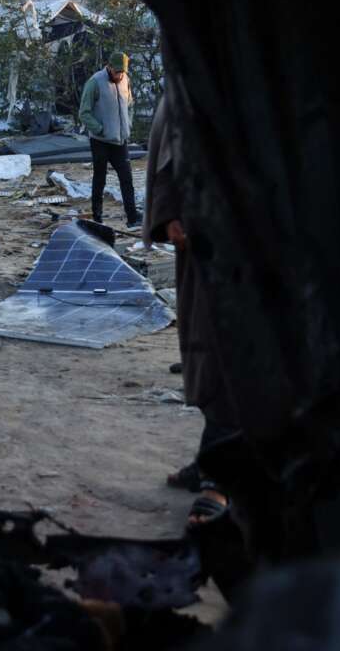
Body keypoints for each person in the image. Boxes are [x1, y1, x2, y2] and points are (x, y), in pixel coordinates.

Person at [144, 76, 238, 531]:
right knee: (204, 351)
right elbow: (168, 156)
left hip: (247, 243)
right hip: (206, 239)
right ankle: (210, 461)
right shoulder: (189, 79)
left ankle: (220, 478)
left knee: (230, 359)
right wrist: (170, 214)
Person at [79, 51, 141, 228]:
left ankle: (132, 218)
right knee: (100, 178)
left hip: (120, 140)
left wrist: (128, 124)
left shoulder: (125, 80)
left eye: (122, 72)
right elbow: (84, 112)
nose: (120, 75)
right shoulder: (95, 82)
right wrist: (100, 129)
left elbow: (130, 104)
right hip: (101, 141)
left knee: (126, 179)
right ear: (109, 66)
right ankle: (97, 218)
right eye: (117, 71)